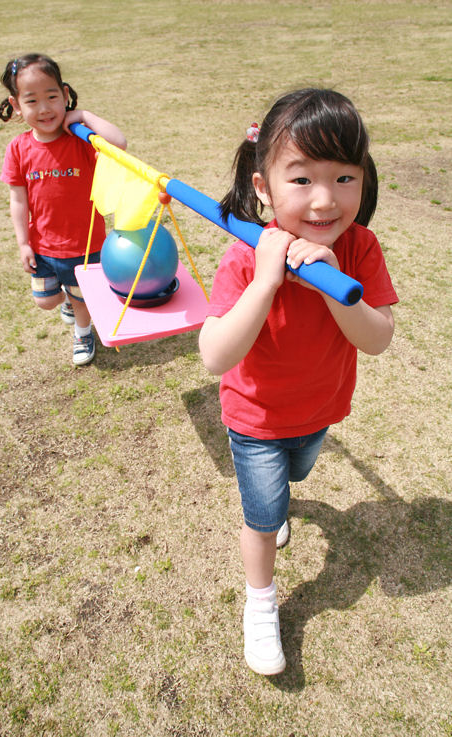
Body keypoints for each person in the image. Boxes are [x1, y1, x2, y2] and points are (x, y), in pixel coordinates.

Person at [199, 88, 398, 676]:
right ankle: (260, 603)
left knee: (299, 469)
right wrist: (265, 282)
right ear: (263, 188)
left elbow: (377, 337)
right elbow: (214, 354)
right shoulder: (246, 256)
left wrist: (333, 286)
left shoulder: (359, 248)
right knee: (262, 518)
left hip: (320, 410)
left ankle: (283, 500)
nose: (323, 201)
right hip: (255, 419)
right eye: (301, 179)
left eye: (343, 178)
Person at [0, 53, 127, 365]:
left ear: (65, 96)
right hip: (42, 247)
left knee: (83, 301)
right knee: (46, 301)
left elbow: (119, 143)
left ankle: (83, 333)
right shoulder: (18, 149)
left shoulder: (80, 140)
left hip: (84, 247)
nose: (44, 108)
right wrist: (23, 243)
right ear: (16, 106)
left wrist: (83, 115)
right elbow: (18, 200)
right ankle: (68, 301)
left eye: (52, 96)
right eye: (31, 100)